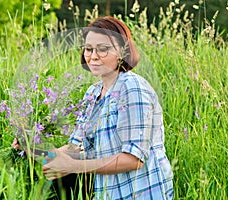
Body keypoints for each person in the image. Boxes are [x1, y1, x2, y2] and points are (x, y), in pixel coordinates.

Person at [13, 16, 173, 199]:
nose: (93, 56)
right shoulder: (93, 93)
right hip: (107, 193)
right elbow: (77, 148)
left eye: (103, 49)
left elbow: (134, 159)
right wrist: (34, 148)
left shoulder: (132, 87)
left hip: (138, 193)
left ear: (122, 51)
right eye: (88, 49)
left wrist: (72, 166)